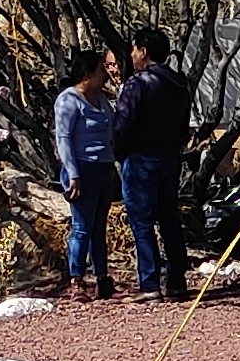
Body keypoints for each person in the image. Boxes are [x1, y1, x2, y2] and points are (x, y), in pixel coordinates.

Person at [110, 26, 188, 299]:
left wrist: (117, 151)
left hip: (140, 158)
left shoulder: (138, 83)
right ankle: (177, 280)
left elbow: (122, 122)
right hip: (169, 157)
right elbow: (183, 127)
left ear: (143, 51)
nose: (131, 55)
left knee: (142, 221)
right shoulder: (179, 84)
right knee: (169, 218)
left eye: (134, 49)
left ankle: (150, 283)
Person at [52, 46, 123, 301]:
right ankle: (76, 279)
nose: (105, 75)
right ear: (87, 73)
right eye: (101, 70)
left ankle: (103, 277)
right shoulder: (69, 100)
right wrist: (73, 174)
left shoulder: (102, 99)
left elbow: (114, 124)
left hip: (104, 168)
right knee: (82, 226)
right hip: (82, 169)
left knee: (98, 227)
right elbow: (64, 139)